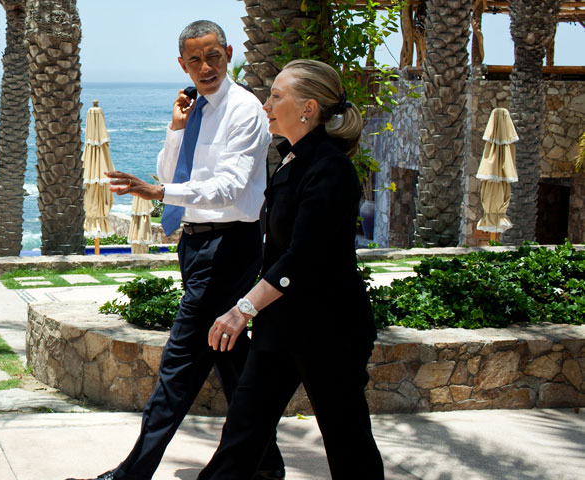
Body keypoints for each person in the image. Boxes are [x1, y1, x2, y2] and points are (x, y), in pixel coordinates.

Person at [66, 20, 284, 480]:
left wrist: (159, 193)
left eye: (214, 57)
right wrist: (176, 128)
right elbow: (171, 170)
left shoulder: (243, 110)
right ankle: (266, 467)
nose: (205, 67)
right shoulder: (197, 110)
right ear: (181, 63)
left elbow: (227, 189)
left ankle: (133, 474)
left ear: (227, 53)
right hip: (197, 245)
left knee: (179, 367)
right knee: (230, 358)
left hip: (229, 246)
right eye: (195, 60)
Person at [197, 59, 385, 479]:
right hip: (280, 327)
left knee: (347, 443)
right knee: (242, 436)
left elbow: (301, 258)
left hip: (329, 331)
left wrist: (241, 309)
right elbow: (277, 250)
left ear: (308, 108)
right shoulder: (290, 161)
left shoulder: (330, 169)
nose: (266, 104)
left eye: (276, 96)